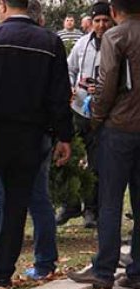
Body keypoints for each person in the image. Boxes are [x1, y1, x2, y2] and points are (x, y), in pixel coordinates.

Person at [0, 0, 73, 288]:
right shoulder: (50, 42)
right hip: (30, 136)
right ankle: (2, 271)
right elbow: (59, 94)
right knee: (16, 203)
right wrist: (64, 136)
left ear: (2, 5)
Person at [69, 0, 140, 289]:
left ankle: (104, 269)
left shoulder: (116, 35)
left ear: (113, 12)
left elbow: (108, 81)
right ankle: (137, 271)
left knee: (110, 200)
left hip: (119, 127)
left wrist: (95, 117)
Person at [56, 1, 114, 228]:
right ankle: (70, 205)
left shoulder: (117, 44)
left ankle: (91, 209)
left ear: (111, 20)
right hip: (79, 109)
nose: (101, 25)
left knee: (96, 163)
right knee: (70, 157)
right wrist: (72, 86)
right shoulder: (82, 44)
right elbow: (69, 70)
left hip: (104, 114)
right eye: (97, 20)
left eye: (105, 21)